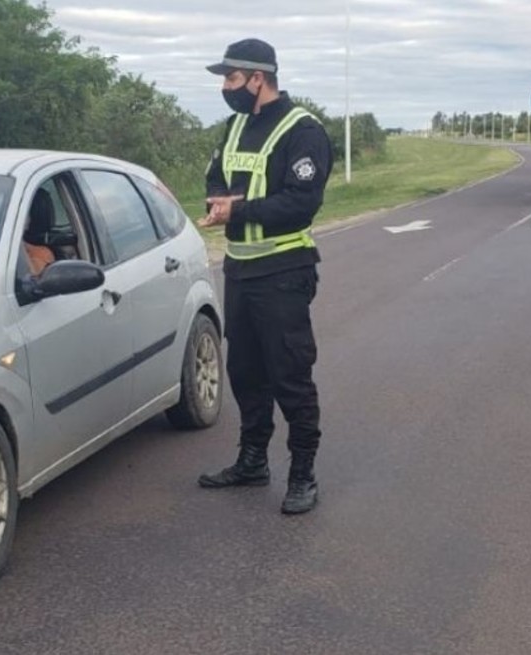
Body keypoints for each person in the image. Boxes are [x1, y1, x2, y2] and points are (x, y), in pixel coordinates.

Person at [195, 38, 333, 515]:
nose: (226, 88)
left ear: (259, 78)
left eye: (232, 78)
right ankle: (252, 461)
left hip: (284, 270)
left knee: (290, 374)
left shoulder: (303, 130)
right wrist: (217, 203)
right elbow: (215, 177)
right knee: (246, 373)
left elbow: (301, 202)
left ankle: (302, 473)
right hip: (240, 269)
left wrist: (240, 206)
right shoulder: (234, 127)